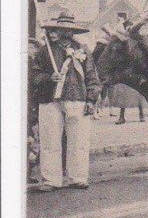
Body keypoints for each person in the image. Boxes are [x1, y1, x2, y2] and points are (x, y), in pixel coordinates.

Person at [30, 11, 102, 191]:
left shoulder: (82, 50)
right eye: (62, 29)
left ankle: (77, 177)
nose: (65, 33)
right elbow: (34, 75)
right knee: (50, 141)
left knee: (79, 141)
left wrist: (91, 100)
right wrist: (48, 77)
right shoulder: (45, 51)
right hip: (50, 100)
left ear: (73, 32)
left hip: (78, 99)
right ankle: (51, 180)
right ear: (57, 30)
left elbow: (92, 77)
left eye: (69, 30)